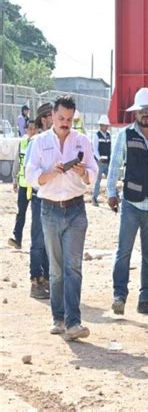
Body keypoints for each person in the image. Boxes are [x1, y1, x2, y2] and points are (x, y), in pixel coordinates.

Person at [25, 95, 97, 339]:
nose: (65, 123)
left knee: (73, 268)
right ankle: (58, 318)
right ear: (51, 117)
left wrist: (83, 172)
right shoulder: (39, 142)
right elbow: (31, 176)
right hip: (50, 209)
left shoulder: (83, 141)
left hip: (76, 209)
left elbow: (94, 174)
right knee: (56, 269)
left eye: (69, 119)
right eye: (61, 118)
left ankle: (73, 322)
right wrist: (49, 173)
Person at [107, 88, 148, 316]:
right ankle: (119, 295)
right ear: (136, 113)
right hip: (131, 204)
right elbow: (114, 165)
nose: (145, 114)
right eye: (141, 111)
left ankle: (146, 299)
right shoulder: (126, 135)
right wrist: (111, 192)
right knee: (124, 251)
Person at [26, 103, 54, 300]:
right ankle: (36, 280)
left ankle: (47, 279)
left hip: (53, 197)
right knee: (38, 240)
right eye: (53, 115)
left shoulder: (56, 140)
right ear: (44, 119)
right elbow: (30, 173)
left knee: (50, 242)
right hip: (39, 197)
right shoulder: (36, 141)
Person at [8, 120, 37, 250]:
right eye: (29, 128)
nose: (32, 131)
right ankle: (17, 239)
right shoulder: (23, 142)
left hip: (36, 186)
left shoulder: (39, 142)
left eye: (34, 128)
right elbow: (17, 161)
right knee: (21, 213)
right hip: (24, 185)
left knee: (36, 216)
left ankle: (36, 243)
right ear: (26, 130)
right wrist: (14, 179)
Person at [92, 115, 112, 206]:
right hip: (100, 163)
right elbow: (94, 149)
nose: (107, 127)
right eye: (105, 125)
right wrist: (99, 159)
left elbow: (110, 148)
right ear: (101, 125)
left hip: (107, 162)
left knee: (111, 180)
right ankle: (94, 198)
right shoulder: (96, 136)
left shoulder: (108, 135)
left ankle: (113, 197)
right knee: (97, 181)